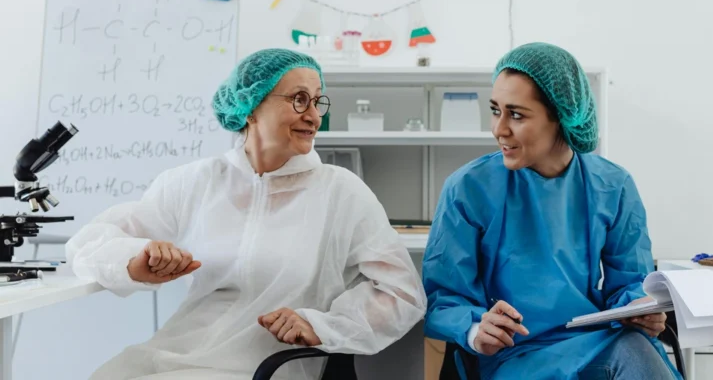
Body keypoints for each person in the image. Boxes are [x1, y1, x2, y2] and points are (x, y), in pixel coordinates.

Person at [66, 48, 427, 380]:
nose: (314, 116)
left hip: (267, 366)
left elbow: (404, 293)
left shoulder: (340, 192)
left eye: (318, 101)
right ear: (251, 106)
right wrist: (136, 261)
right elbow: (88, 243)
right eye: (300, 99)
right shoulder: (195, 182)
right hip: (175, 352)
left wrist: (323, 325)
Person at [422, 43, 681, 380]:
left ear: (560, 115)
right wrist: (475, 329)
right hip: (513, 355)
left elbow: (630, 282)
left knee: (636, 349)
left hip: (594, 345)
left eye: (516, 115)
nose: (499, 129)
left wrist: (639, 308)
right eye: (495, 110)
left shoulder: (612, 185)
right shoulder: (468, 188)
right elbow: (443, 298)